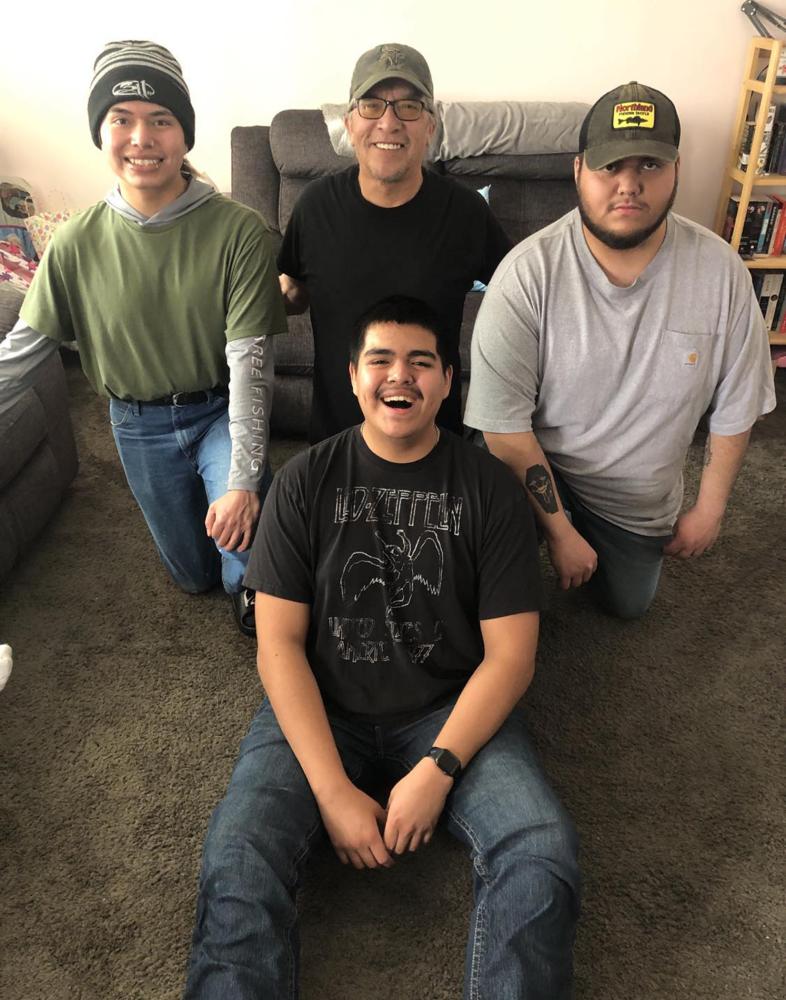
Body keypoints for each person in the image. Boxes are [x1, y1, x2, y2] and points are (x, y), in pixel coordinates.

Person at [183, 296, 580, 1000]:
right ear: (353, 376)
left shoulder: (490, 489)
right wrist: (332, 791)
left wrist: (439, 769)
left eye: (421, 362)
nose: (400, 376)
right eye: (381, 361)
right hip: (323, 701)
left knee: (542, 850)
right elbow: (278, 646)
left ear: (449, 381)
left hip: (449, 704)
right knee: (237, 857)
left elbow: (512, 657)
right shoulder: (304, 480)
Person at [0, 41, 288, 634]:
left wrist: (242, 482)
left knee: (243, 562)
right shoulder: (75, 242)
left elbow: (251, 367)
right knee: (192, 575)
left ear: (184, 134)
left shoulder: (241, 230)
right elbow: (22, 355)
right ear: (100, 132)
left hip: (219, 410)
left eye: (161, 120)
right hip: (136, 425)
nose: (141, 138)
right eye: (121, 119)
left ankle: (257, 567)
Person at [465, 81, 777, 620]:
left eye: (649, 165)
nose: (629, 185)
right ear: (578, 171)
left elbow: (738, 403)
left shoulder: (722, 272)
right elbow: (503, 427)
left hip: (635, 500)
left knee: (627, 604)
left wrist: (710, 510)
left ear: (677, 170)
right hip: (539, 459)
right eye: (610, 166)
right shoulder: (527, 273)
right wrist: (560, 532)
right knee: (477, 545)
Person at [278, 42, 512, 443]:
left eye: (409, 107)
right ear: (349, 123)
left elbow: (521, 296)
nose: (389, 122)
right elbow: (291, 294)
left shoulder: (465, 212)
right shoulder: (315, 206)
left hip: (435, 446)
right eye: (371, 105)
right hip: (337, 445)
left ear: (430, 126)